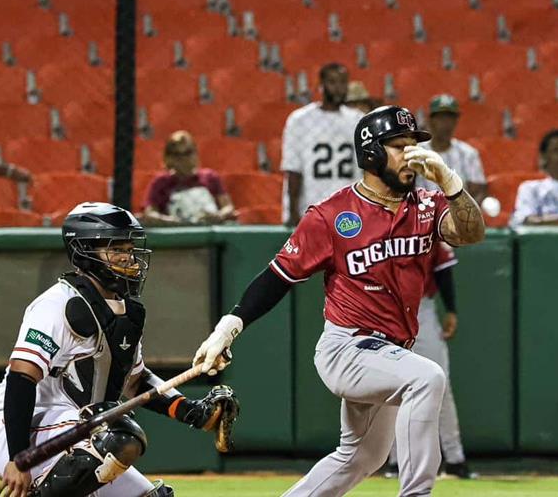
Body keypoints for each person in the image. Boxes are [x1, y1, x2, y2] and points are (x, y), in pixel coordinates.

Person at [192, 106, 485, 497]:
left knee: (360, 458)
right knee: (427, 378)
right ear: (370, 153)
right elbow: (278, 277)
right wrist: (228, 327)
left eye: (414, 145)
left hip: (392, 352)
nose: (411, 155)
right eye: (399, 146)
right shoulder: (332, 215)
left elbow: (470, 233)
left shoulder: (427, 204)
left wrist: (450, 182)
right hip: (347, 347)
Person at [0, 202, 239, 497]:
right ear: (85, 252)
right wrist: (19, 458)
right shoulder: (57, 304)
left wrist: (192, 411)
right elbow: (21, 378)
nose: (129, 259)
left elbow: (137, 381)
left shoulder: (125, 311)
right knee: (120, 436)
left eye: (129, 249)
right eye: (117, 250)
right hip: (25, 433)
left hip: (84, 437)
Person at [384, 242, 477, 480]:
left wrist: (451, 310)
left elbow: (443, 270)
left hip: (421, 308)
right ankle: (396, 461)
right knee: (389, 388)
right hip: (384, 308)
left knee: (440, 384)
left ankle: (455, 459)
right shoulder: (375, 223)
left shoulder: (426, 220)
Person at [281, 62, 364, 226]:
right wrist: (292, 212)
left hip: (348, 207)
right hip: (311, 205)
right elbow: (293, 170)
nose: (339, 88)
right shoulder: (300, 120)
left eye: (342, 82)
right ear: (321, 85)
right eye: (332, 82)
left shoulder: (357, 120)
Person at [142, 131, 235, 226]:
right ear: (168, 158)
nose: (183, 159)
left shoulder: (210, 177)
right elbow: (150, 214)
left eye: (188, 153)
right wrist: (171, 221)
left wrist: (218, 216)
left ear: (196, 154)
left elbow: (228, 208)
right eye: (177, 154)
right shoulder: (160, 182)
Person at [416, 95, 488, 204]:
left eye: (450, 118)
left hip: (457, 213)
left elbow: (479, 191)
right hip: (421, 213)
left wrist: (467, 215)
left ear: (456, 122)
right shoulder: (416, 153)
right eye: (441, 118)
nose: (446, 124)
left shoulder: (468, 153)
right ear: (430, 120)